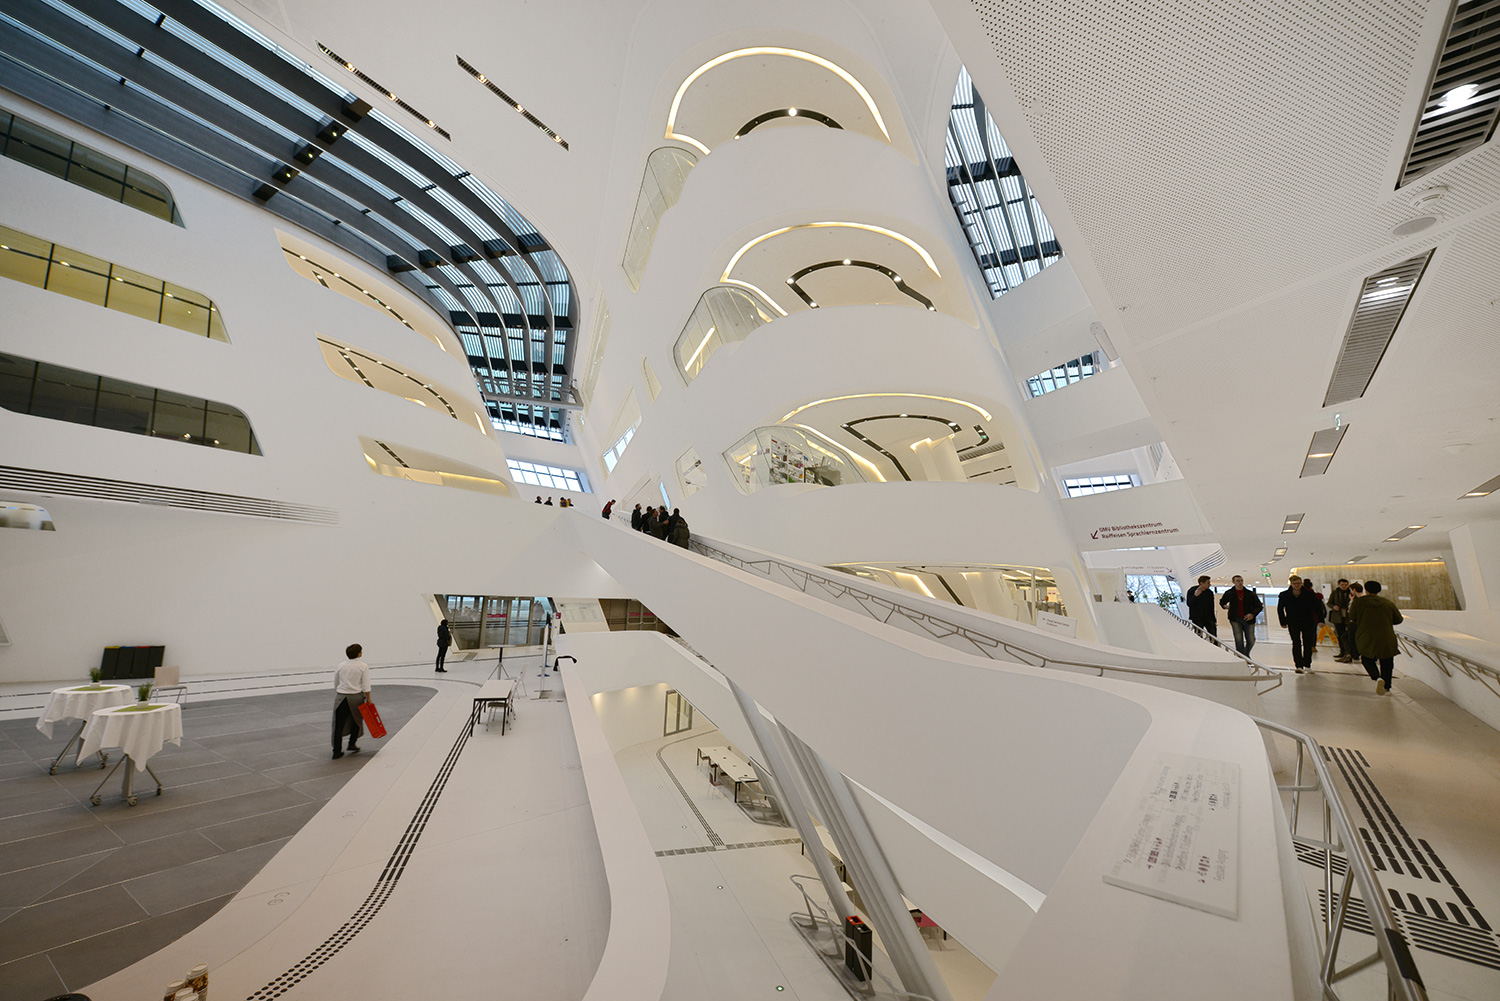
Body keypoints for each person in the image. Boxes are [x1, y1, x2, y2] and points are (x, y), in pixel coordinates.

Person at [1349, 580, 1403, 694]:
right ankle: (1387, 687)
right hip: (1386, 635)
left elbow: (1352, 617)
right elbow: (1399, 619)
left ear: (1366, 590)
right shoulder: (1387, 603)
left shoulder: (1358, 603)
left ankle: (1377, 677)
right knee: (1387, 661)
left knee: (1367, 659)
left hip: (1366, 635)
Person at [1277, 574, 1324, 673]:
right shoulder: (1284, 595)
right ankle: (1298, 665)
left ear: (1301, 583)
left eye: (1298, 583)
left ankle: (1307, 664)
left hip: (1308, 621)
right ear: (1291, 584)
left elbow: (1317, 607)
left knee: (1308, 643)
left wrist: (1320, 620)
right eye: (1295, 584)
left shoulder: (1309, 594)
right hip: (1293, 621)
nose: (1297, 585)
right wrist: (1283, 621)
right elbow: (1280, 609)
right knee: (1296, 643)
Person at [332, 643, 371, 759]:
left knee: (338, 725)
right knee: (357, 722)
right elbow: (366, 685)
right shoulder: (363, 666)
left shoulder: (341, 665)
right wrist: (368, 699)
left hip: (341, 697)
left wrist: (340, 691)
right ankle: (352, 743)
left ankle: (336, 751)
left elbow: (336, 681)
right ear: (359, 653)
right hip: (356, 698)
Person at [1219, 575, 1264, 656]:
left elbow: (1259, 606)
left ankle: (1245, 655)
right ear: (1233, 582)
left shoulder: (1250, 594)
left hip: (1248, 619)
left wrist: (1252, 614)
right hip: (1235, 619)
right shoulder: (1229, 593)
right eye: (1238, 581)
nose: (1240, 582)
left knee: (1251, 640)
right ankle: (1241, 657)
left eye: (1241, 580)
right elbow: (1222, 601)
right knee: (1238, 639)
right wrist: (1224, 606)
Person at [1327, 579, 1355, 663]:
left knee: (1349, 635)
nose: (1344, 586)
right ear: (1339, 585)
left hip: (1348, 617)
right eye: (1342, 585)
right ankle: (1342, 652)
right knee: (1340, 635)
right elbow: (1329, 603)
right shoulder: (1335, 593)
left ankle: (1350, 653)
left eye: (1346, 585)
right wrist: (1334, 607)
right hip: (1338, 617)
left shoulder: (1351, 593)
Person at [1185, 575, 1218, 639]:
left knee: (1213, 637)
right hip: (1197, 618)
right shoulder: (1192, 591)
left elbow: (1211, 606)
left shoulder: (1209, 593)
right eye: (1208, 583)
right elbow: (1189, 603)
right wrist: (1195, 596)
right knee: (1198, 636)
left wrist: (1213, 619)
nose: (1210, 585)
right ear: (1201, 583)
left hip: (1209, 618)